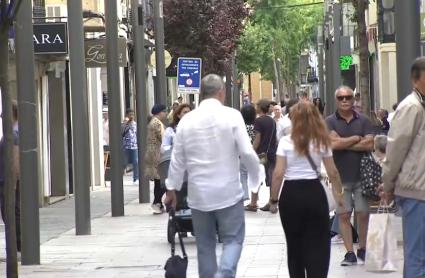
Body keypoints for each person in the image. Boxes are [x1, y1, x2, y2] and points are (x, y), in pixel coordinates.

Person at [165, 74, 260, 278]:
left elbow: (177, 160)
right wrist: (255, 177)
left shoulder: (186, 121)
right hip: (228, 193)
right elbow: (246, 152)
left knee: (205, 246)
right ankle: (225, 273)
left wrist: (171, 189)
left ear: (201, 94)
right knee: (233, 239)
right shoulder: (232, 116)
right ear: (221, 92)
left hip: (199, 196)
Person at [269, 101, 344, 278]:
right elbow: (333, 172)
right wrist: (339, 196)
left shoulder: (286, 141)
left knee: (294, 244)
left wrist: (273, 200)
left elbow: (278, 173)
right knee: (318, 242)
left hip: (291, 195)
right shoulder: (321, 141)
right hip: (314, 193)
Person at [382, 57, 425, 278]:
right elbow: (396, 148)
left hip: (419, 191)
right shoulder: (412, 107)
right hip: (417, 193)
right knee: (418, 257)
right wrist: (387, 183)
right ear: (417, 79)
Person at [325, 86, 374, 266]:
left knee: (363, 213)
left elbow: (370, 145)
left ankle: (362, 248)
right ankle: (349, 252)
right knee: (344, 215)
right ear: (336, 100)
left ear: (353, 99)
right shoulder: (329, 121)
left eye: (348, 97)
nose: (345, 100)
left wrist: (342, 142)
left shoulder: (365, 120)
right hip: (339, 177)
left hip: (363, 176)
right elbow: (331, 144)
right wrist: (356, 139)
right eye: (341, 98)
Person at [245, 99, 277, 212]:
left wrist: (251, 151)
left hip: (261, 155)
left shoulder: (258, 121)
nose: (255, 108)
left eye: (257, 105)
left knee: (256, 177)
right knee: (271, 177)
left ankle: (253, 203)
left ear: (260, 107)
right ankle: (271, 201)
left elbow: (257, 139)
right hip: (272, 153)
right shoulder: (272, 121)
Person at [0, 101, 21, 254]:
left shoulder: (13, 134)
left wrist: (12, 183)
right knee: (12, 212)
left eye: (3, 115)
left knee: (10, 213)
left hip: (7, 181)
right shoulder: (16, 131)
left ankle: (16, 248)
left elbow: (14, 159)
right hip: (9, 180)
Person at [145, 104, 167, 214]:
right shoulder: (157, 123)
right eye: (164, 111)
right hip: (157, 154)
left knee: (158, 181)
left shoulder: (153, 122)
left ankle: (159, 203)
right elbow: (164, 138)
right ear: (160, 112)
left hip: (153, 153)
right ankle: (156, 202)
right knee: (163, 180)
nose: (166, 114)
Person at [240, 105, 257, 200]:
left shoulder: (241, 126)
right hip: (254, 152)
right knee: (254, 175)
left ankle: (245, 194)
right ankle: (255, 196)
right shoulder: (256, 125)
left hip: (243, 152)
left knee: (243, 174)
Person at [122, 109, 139, 183]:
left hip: (134, 146)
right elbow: (121, 133)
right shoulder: (124, 124)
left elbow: (137, 134)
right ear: (127, 115)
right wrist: (125, 124)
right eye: (130, 114)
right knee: (124, 162)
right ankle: (121, 176)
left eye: (132, 114)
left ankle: (136, 177)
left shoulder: (135, 124)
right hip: (126, 146)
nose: (131, 116)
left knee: (136, 162)